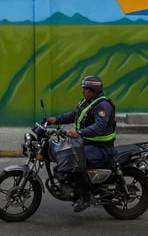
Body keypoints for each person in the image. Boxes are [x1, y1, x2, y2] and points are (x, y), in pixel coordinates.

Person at [46, 75, 116, 212]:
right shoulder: (87, 102)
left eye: (86, 89)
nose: (83, 91)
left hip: (101, 148)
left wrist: (80, 132)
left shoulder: (103, 105)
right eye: (83, 89)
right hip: (86, 143)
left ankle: (86, 196)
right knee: (67, 155)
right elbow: (74, 115)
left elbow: (99, 126)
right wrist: (56, 120)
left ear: (94, 90)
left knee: (75, 162)